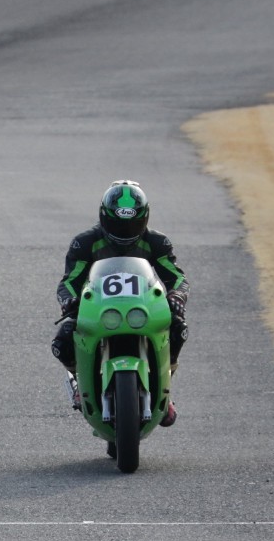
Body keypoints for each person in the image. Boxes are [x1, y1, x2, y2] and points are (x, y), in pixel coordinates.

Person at [52, 180, 189, 425]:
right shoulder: (85, 242)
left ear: (145, 218)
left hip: (143, 307)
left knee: (178, 327)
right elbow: (69, 281)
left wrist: (176, 297)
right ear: (103, 217)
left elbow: (177, 278)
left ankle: (165, 386)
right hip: (100, 308)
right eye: (118, 224)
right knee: (63, 340)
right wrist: (69, 301)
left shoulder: (158, 242)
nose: (125, 231)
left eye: (133, 224)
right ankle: (78, 380)